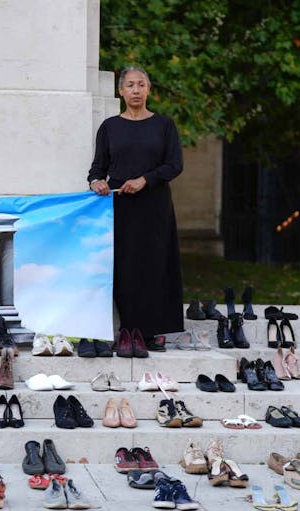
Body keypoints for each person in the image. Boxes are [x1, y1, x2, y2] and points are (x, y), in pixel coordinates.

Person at [87, 66, 184, 340]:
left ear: (149, 89)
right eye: (130, 85)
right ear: (120, 91)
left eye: (141, 85)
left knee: (154, 265)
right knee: (125, 267)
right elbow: (97, 169)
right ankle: (128, 330)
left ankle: (152, 331)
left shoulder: (164, 125)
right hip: (120, 208)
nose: (136, 90)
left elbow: (175, 165)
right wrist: (97, 183)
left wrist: (145, 179)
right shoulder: (110, 127)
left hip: (155, 206)